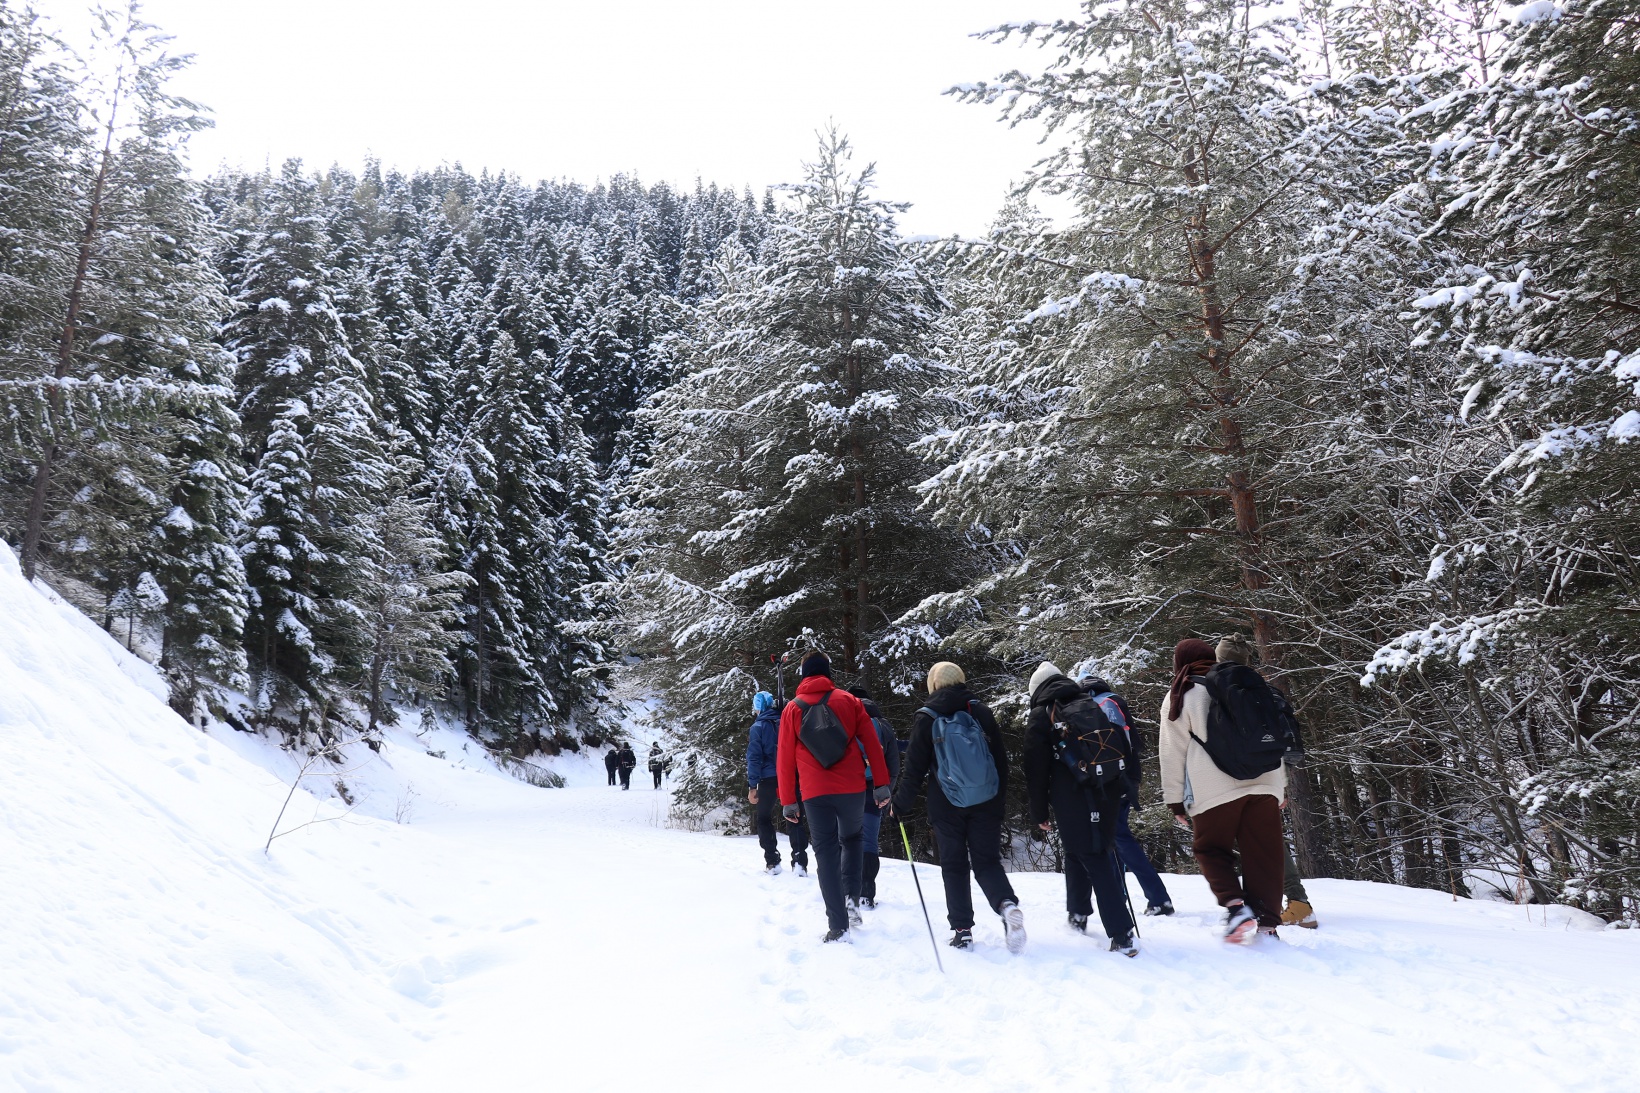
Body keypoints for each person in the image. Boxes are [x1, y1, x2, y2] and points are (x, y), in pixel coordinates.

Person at [891, 661, 1026, 954]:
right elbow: (1000, 761)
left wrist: (899, 805)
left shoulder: (927, 717)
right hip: (986, 800)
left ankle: (962, 931)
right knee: (987, 862)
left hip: (946, 804)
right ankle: (1006, 905)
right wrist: (998, 800)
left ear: (933, 684)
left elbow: (914, 770)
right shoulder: (981, 712)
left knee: (954, 866)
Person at [1159, 635, 1287, 944]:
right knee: (1265, 854)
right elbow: (1274, 734)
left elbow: (1172, 751)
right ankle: (1268, 925)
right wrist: (1280, 788)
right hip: (1266, 780)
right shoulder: (1247, 687)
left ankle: (1236, 907)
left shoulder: (1182, 692)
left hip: (1215, 785)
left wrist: (1175, 801)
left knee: (1211, 848)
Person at [1024, 663, 1138, 956]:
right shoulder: (1091, 702)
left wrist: (1039, 812)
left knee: (1094, 855)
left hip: (1073, 796)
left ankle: (1122, 933)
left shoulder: (1043, 714)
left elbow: (1036, 770)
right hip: (1107, 789)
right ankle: (1078, 912)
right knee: (1078, 849)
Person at [777, 652, 891, 942]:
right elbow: (872, 744)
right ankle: (852, 896)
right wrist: (881, 784)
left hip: (815, 791)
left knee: (825, 852)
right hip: (852, 787)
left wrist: (788, 800)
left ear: (803, 674)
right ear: (827, 672)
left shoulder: (792, 709)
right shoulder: (849, 701)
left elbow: (784, 759)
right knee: (852, 839)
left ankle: (837, 926)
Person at [1078, 673, 1174, 916]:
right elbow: (1135, 744)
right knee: (1114, 836)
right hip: (1128, 778)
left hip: (1108, 781)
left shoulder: (1090, 706)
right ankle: (1121, 895)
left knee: (1118, 837)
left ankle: (1158, 898)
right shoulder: (1115, 701)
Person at [846, 685, 901, 907]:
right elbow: (893, 765)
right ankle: (866, 893)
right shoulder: (882, 725)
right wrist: (886, 792)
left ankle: (845, 891)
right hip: (875, 790)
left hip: (847, 789)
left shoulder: (842, 721)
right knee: (868, 841)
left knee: (846, 839)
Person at [747, 691, 809, 875]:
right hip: (790, 776)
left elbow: (754, 758)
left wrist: (752, 785)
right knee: (794, 816)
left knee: (764, 818)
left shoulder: (758, 727)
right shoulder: (788, 721)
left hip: (768, 779)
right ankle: (800, 862)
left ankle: (772, 861)